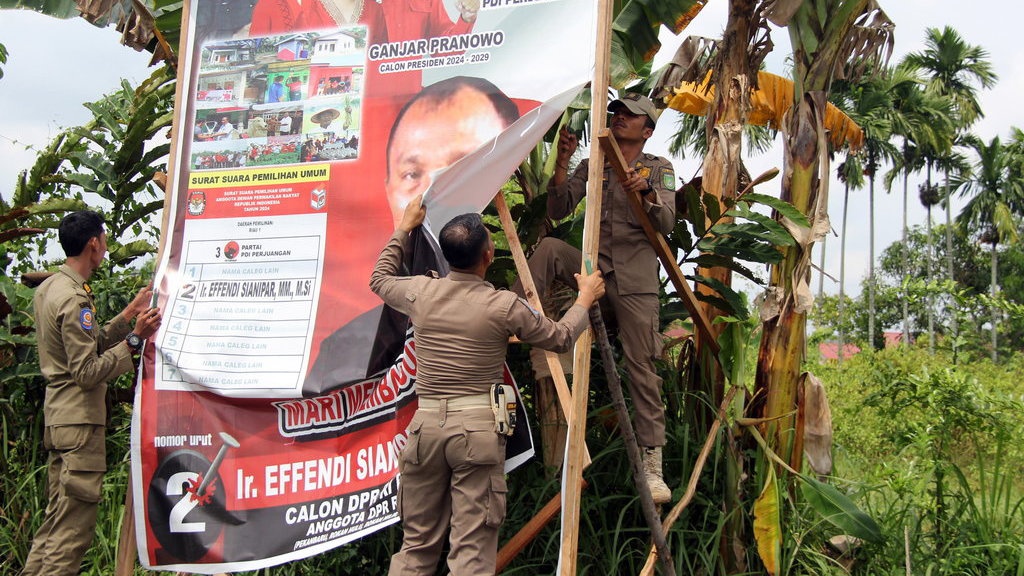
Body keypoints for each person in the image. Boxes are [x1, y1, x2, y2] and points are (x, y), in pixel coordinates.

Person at [374, 197, 605, 575]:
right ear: (488, 254)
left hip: (426, 429)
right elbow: (561, 338)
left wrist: (404, 227)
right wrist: (584, 298)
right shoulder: (504, 306)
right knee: (470, 552)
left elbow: (379, 279)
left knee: (416, 548)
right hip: (477, 432)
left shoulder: (420, 292)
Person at [304, 76, 519, 392]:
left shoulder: (498, 310)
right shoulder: (344, 352)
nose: (429, 197)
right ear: (388, 188)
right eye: (412, 174)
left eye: (461, 171)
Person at [515, 93, 676, 503]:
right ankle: (509, 316)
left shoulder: (659, 169)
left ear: (648, 129)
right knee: (550, 248)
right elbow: (557, 205)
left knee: (642, 366)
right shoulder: (595, 163)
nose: (620, 118)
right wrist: (564, 161)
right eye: (617, 112)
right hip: (595, 274)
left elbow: (668, 222)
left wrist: (646, 194)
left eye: (631, 116)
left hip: (636, 282)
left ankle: (652, 465)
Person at [22, 211, 162, 576]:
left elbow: (88, 346)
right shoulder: (74, 300)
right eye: (104, 238)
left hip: (61, 420)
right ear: (93, 244)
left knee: (55, 524)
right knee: (71, 534)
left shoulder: (52, 289)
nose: (106, 245)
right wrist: (135, 340)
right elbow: (85, 372)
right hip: (80, 426)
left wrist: (128, 315)